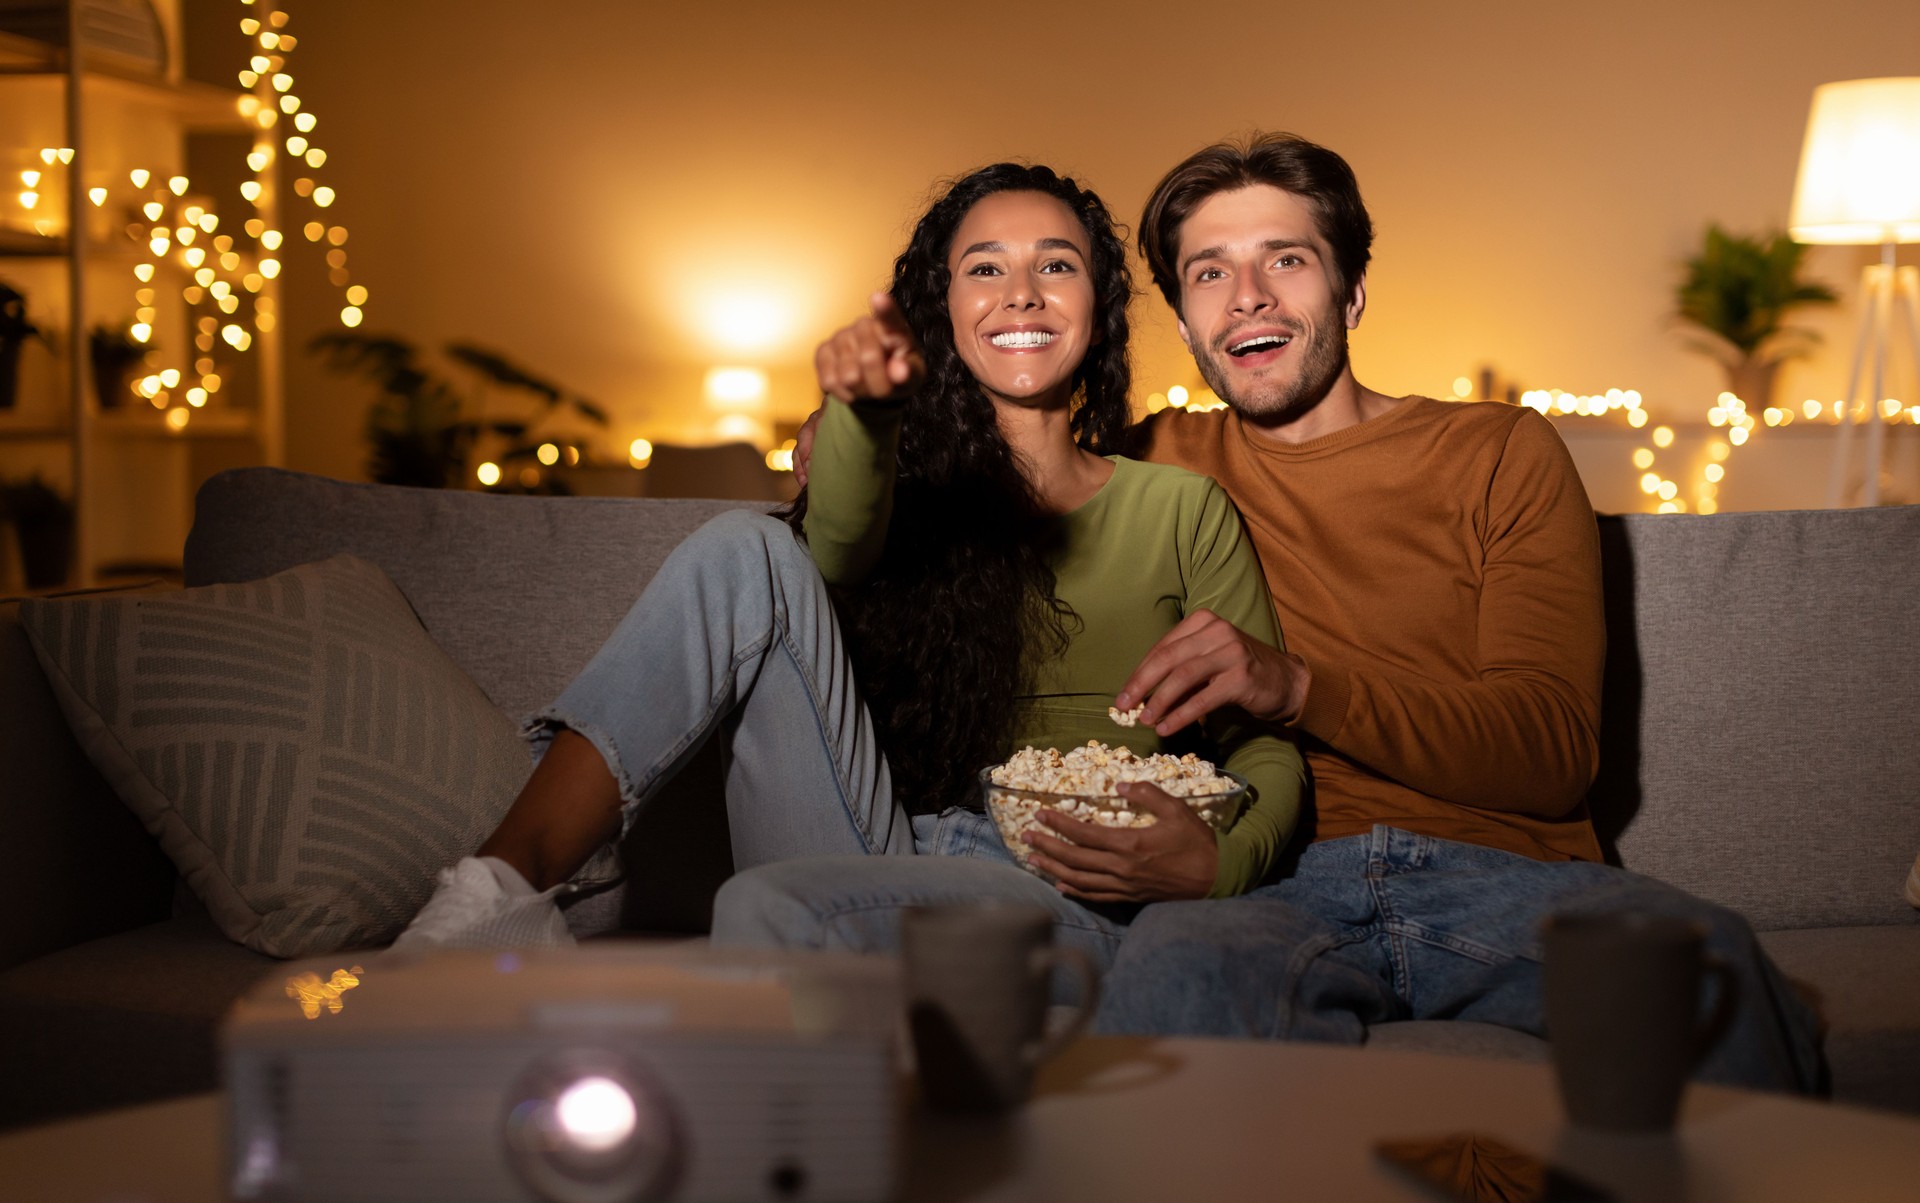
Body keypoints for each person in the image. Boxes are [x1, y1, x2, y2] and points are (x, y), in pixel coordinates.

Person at [760, 134, 1825, 1095]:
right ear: (1179, 318)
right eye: (1210, 273)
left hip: (1499, 876)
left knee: (1715, 965)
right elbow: (993, 430)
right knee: (1173, 996)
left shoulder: (1499, 452)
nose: (1248, 298)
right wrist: (846, 425)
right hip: (1272, 886)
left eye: (1288, 260)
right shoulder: (1156, 460)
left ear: (1352, 291)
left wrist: (1297, 683)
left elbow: (1553, 752)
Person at [394, 162, 1306, 960]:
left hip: (1070, 899)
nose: (1021, 292)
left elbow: (1265, 746)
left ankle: (850, 985)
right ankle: (492, 899)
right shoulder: (884, 479)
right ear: (943, 314)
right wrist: (865, 417)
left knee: (767, 914)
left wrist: (1220, 863)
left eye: (1055, 266)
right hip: (876, 849)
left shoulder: (1182, 511)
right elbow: (829, 552)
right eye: (985, 268)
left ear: (1098, 312)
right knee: (746, 543)